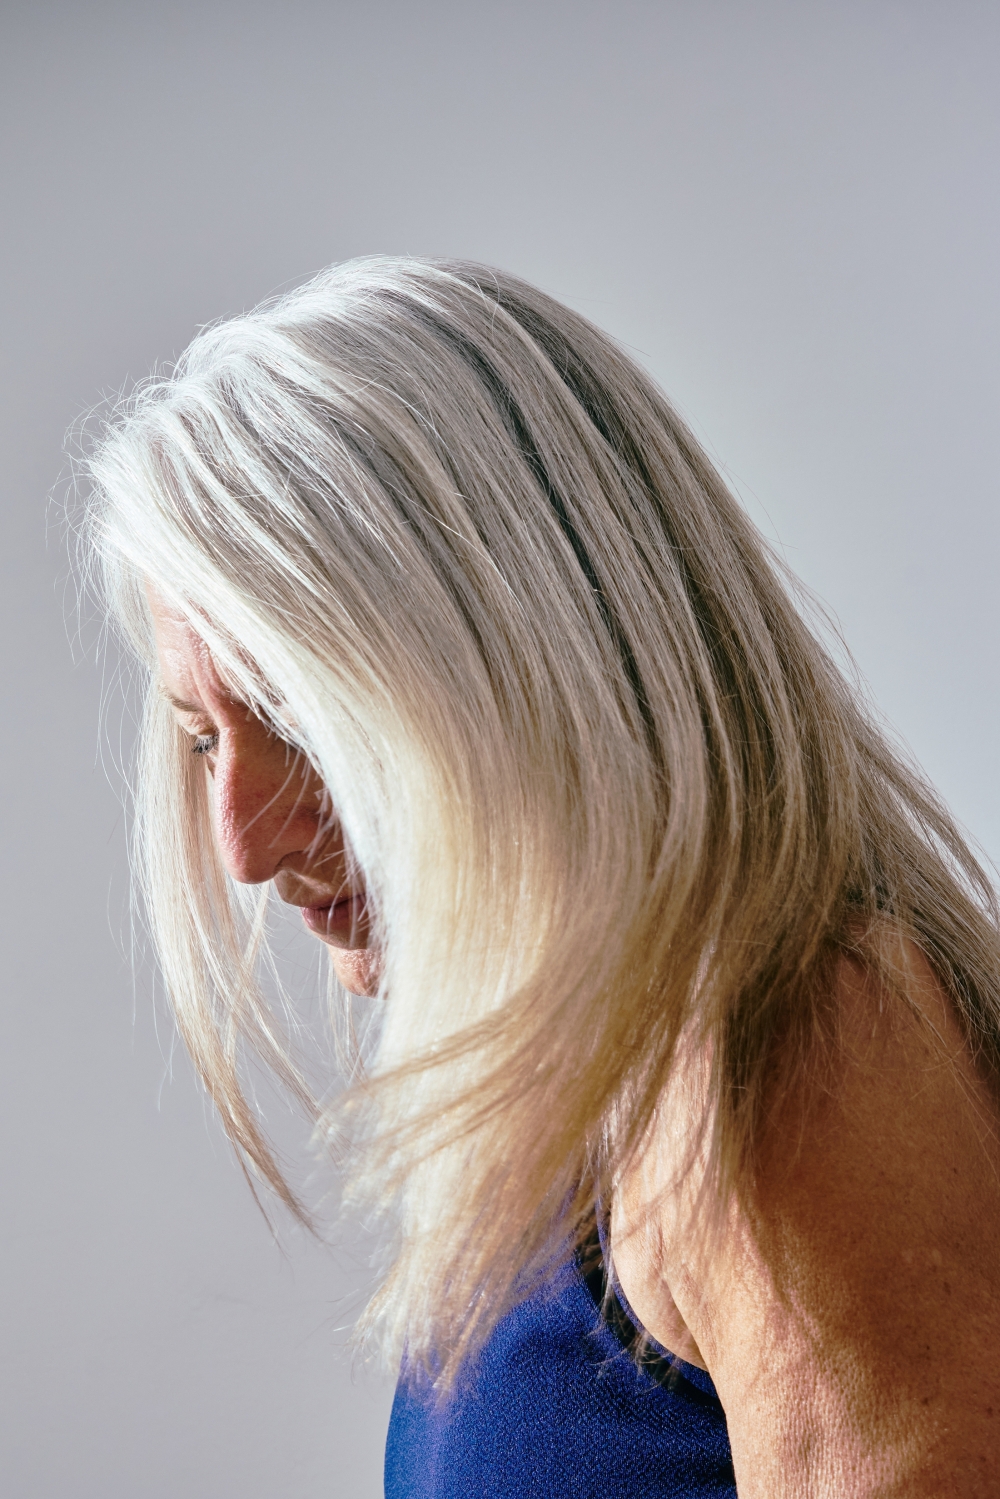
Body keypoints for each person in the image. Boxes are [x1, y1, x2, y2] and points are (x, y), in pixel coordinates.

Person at [86, 258, 1000, 1496]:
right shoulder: (577, 1101)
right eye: (205, 740)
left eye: (300, 715)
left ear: (533, 650)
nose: (245, 843)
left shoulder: (789, 1046)